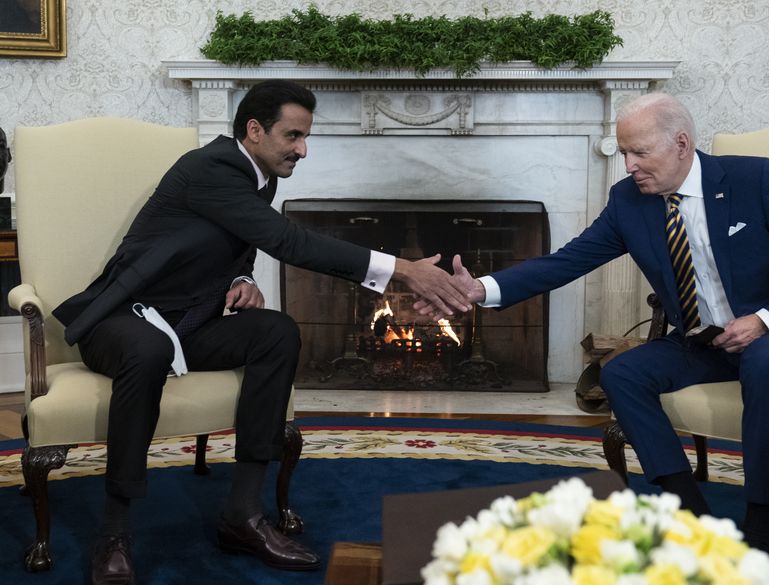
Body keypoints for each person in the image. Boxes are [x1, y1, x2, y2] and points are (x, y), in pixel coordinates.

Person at [53, 80, 471, 585]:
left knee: (275, 331)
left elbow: (238, 241)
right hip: (125, 321)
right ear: (254, 130)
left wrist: (241, 279)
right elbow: (284, 239)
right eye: (293, 136)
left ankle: (243, 514)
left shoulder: (260, 174)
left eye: (305, 137)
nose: (303, 150)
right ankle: (114, 533)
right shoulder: (209, 167)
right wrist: (403, 269)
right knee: (148, 347)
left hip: (189, 326)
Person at [417, 92, 769, 551]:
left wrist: (764, 320)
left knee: (765, 362)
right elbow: (567, 261)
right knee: (622, 372)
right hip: (705, 342)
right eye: (624, 151)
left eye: (639, 152)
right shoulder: (629, 202)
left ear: (682, 144)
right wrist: (480, 289)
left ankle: (759, 521)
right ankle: (687, 509)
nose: (628, 165)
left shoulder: (755, 179)